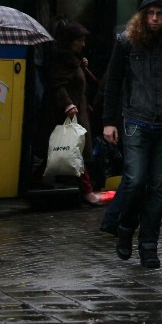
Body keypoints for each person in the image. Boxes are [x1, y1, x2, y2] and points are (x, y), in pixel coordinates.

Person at [102, 0, 162, 268]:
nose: (155, 19)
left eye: (160, 14)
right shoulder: (127, 42)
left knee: (157, 188)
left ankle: (148, 246)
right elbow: (113, 82)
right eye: (150, 14)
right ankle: (125, 228)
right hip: (136, 122)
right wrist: (109, 121)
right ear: (143, 16)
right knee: (135, 180)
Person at [36, 22, 103, 206]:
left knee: (60, 150)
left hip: (74, 113)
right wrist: (68, 105)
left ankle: (36, 178)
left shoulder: (73, 60)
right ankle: (87, 191)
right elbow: (58, 85)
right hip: (66, 116)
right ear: (69, 42)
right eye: (79, 40)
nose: (83, 44)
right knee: (75, 152)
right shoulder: (64, 61)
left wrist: (80, 65)